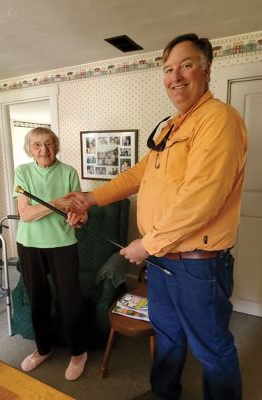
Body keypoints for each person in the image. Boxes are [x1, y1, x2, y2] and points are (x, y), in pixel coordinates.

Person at [65, 33, 248, 399]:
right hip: (165, 261)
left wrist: (147, 244)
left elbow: (202, 199)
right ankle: (164, 393)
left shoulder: (219, 121)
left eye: (186, 65)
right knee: (167, 334)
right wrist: (90, 198)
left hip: (198, 265)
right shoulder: (170, 126)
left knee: (212, 349)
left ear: (206, 70)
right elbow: (138, 174)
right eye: (168, 69)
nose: (175, 76)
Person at [13, 127, 88, 381]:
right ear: (29, 148)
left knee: (70, 300)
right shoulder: (22, 172)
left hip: (62, 244)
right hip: (29, 244)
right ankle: (43, 348)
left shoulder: (68, 172)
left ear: (55, 145)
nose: (43, 150)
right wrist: (57, 203)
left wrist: (78, 217)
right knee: (38, 298)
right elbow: (25, 215)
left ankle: (78, 353)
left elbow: (80, 212)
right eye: (37, 145)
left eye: (48, 144)